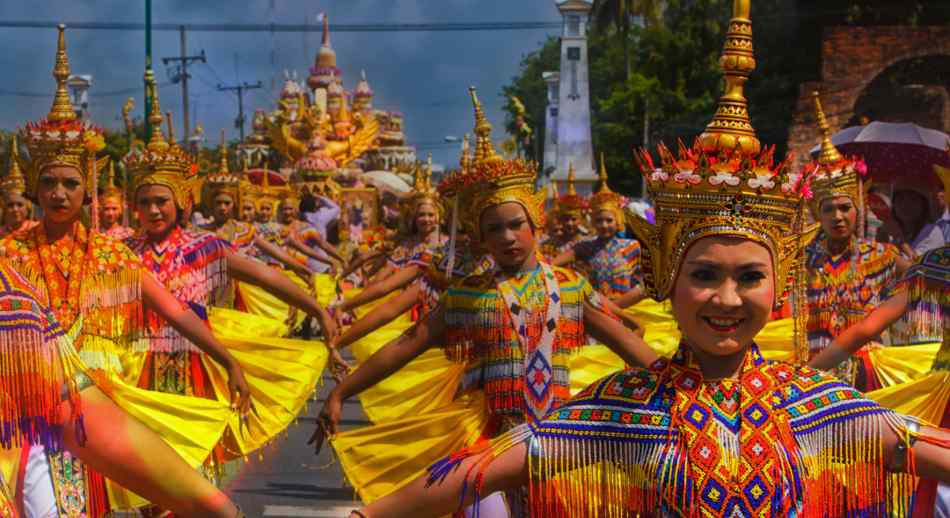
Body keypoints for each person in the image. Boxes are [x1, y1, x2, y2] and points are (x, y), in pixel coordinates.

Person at [350, 6, 950, 516]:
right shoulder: (625, 407)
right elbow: (479, 470)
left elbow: (919, 446)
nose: (728, 299)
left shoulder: (813, 405)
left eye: (750, 277)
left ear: (779, 284)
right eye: (705, 275)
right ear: (666, 275)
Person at [314, 88, 658, 514]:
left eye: (517, 225)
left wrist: (685, 390)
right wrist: (341, 393)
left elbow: (629, 343)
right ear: (481, 237)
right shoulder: (467, 296)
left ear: (536, 224)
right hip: (487, 441)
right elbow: (404, 346)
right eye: (495, 229)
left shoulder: (570, 289)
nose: (508, 237)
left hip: (557, 445)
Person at [0, 26, 250, 517]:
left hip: (95, 410)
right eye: (47, 181)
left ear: (86, 188)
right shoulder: (8, 254)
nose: (58, 193)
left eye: (69, 183)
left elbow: (175, 311)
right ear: (33, 186)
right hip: (25, 414)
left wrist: (228, 360)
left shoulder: (112, 258)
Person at [803, 92, 904, 391]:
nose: (837, 217)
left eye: (845, 208)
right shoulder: (800, 261)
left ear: (857, 209)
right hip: (814, 375)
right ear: (817, 214)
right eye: (828, 209)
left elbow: (924, 283)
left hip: (869, 377)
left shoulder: (882, 255)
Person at [553, 153, 644, 309]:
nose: (604, 225)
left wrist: (615, 307)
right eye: (599, 220)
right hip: (598, 313)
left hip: (625, 312)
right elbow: (553, 265)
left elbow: (646, 285)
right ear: (592, 222)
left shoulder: (632, 247)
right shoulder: (585, 247)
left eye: (609, 220)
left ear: (618, 221)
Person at [540, 163, 588, 260]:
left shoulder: (587, 243)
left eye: (574, 219)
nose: (569, 223)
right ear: (560, 220)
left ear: (581, 220)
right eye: (566, 219)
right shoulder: (549, 245)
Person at [0, 135, 37, 238]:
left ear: (28, 207)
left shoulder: (38, 231)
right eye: (10, 205)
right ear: (3, 208)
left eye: (20, 205)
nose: (15, 209)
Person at [98, 161, 134, 240]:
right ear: (100, 209)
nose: (110, 213)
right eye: (106, 209)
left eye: (114, 209)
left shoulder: (128, 234)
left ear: (121, 209)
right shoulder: (95, 233)